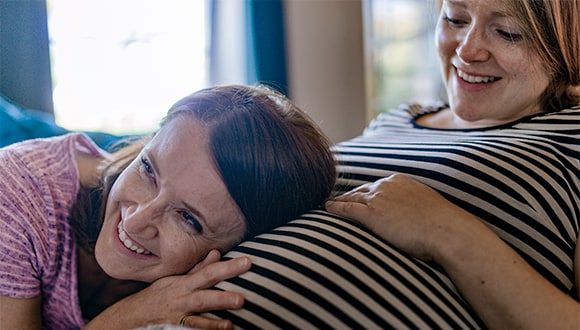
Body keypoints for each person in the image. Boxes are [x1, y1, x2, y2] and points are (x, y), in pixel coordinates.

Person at [325, 0, 580, 329]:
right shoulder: (399, 119)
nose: (468, 50)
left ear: (568, 42)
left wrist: (446, 232)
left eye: (508, 33)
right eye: (456, 19)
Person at [0, 84, 336, 329]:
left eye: (188, 218)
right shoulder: (18, 193)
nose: (135, 221)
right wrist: (126, 317)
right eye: (148, 169)